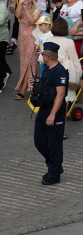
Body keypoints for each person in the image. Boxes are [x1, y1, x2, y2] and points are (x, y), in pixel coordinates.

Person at [34, 41, 68, 185]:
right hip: (43, 109)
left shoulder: (60, 71)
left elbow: (60, 95)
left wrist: (53, 114)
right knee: (39, 141)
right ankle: (55, 165)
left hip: (54, 111)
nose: (41, 56)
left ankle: (54, 173)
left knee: (54, 143)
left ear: (47, 56)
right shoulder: (47, 69)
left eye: (42, 54)